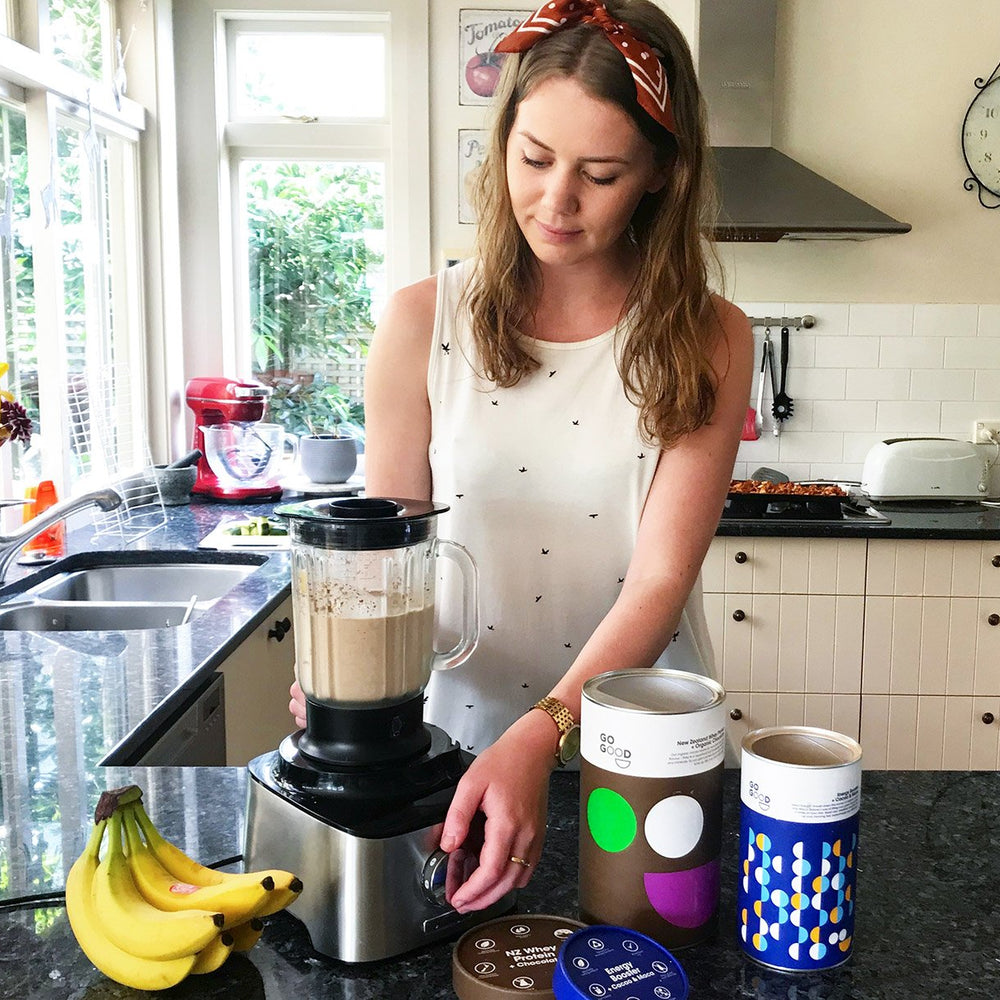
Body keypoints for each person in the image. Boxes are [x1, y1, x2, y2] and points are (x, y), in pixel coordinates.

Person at [289, 0, 752, 916]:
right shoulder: (423, 321)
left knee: (645, 952)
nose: (556, 200)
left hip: (640, 748)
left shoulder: (710, 336)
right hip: (452, 741)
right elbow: (391, 551)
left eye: (601, 173)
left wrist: (545, 735)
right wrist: (349, 683)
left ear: (662, 173)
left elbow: (660, 583)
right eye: (534, 158)